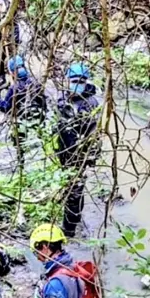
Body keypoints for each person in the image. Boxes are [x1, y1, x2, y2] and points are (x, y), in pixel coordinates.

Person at [56, 63, 102, 237]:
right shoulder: (65, 98)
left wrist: (88, 157)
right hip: (65, 152)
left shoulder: (90, 104)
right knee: (71, 189)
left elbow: (93, 135)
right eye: (74, 80)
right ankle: (73, 220)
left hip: (78, 155)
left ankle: (69, 230)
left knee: (75, 191)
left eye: (81, 81)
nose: (77, 84)